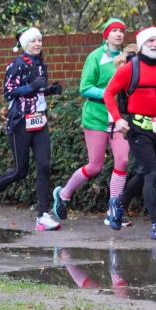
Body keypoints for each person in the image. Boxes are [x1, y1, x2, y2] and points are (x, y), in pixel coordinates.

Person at [0, 27, 64, 230]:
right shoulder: (16, 64)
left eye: (39, 40)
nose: (37, 44)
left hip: (39, 122)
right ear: (25, 44)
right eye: (33, 41)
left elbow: (38, 90)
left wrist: (50, 90)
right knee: (21, 170)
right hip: (20, 122)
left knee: (44, 167)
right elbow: (8, 92)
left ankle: (42, 215)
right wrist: (31, 88)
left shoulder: (41, 64)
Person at [103, 26, 156, 240]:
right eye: (151, 41)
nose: (155, 44)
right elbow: (109, 94)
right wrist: (118, 119)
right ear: (141, 45)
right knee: (151, 173)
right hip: (136, 128)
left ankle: (117, 204)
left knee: (142, 173)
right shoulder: (130, 68)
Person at [52, 18, 133, 223]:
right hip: (96, 116)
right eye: (114, 30)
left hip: (118, 118)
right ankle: (63, 195)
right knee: (95, 166)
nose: (118, 34)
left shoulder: (127, 58)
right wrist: (108, 92)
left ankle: (113, 211)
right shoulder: (95, 57)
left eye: (121, 31)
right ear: (106, 34)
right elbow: (85, 88)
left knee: (122, 160)